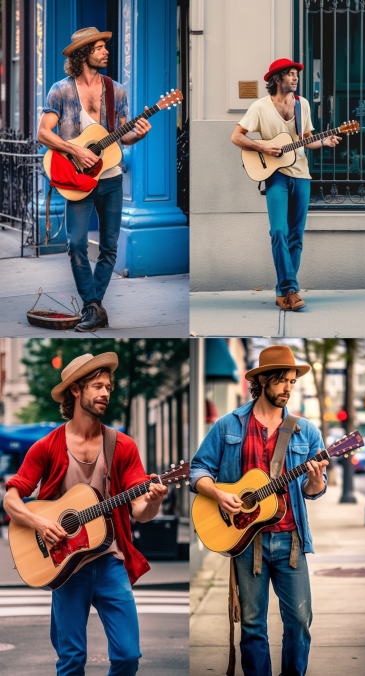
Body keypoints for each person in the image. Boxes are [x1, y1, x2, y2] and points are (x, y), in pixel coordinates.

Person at [4, 352, 167, 676]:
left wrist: (154, 500)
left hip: (110, 561)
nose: (106, 393)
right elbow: (12, 498)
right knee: (71, 660)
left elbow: (140, 512)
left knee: (127, 656)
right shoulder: (47, 446)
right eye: (97, 386)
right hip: (65, 564)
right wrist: (40, 522)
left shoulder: (122, 445)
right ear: (76, 391)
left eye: (108, 386)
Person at [190, 345, 329, 676]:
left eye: (293, 382)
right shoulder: (229, 425)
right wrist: (219, 495)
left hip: (290, 541)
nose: (288, 389)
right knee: (252, 625)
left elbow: (314, 492)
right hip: (246, 541)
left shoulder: (305, 431)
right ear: (263, 380)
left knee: (299, 620)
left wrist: (315, 479)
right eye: (282, 381)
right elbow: (198, 470)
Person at [38, 28, 152, 331]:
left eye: (105, 47)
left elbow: (122, 136)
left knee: (109, 246)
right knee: (75, 243)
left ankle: (92, 305)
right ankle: (94, 304)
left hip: (111, 177)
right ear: (83, 53)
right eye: (99, 48)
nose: (106, 52)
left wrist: (137, 135)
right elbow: (43, 133)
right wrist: (75, 149)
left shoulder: (118, 91)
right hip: (76, 179)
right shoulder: (60, 90)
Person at [231, 58, 341, 312]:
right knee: (278, 232)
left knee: (296, 236)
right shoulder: (260, 107)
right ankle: (291, 289)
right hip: (276, 176)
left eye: (297, 74)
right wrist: (261, 145)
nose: (295, 78)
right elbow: (236, 136)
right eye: (290, 74)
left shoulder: (302, 105)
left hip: (301, 175)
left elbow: (307, 139)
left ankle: (285, 291)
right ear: (277, 79)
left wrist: (324, 142)